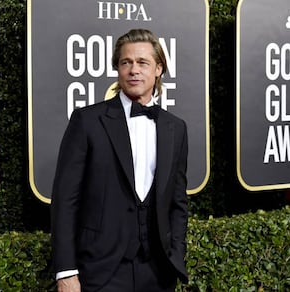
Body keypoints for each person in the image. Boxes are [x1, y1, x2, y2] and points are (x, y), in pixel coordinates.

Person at [51, 28, 189, 292]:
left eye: (142, 62)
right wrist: (66, 271)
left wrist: (176, 255)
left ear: (158, 68)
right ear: (117, 68)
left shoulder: (176, 128)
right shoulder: (87, 121)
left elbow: (178, 202)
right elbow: (65, 200)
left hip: (159, 273)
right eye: (126, 62)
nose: (133, 70)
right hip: (101, 271)